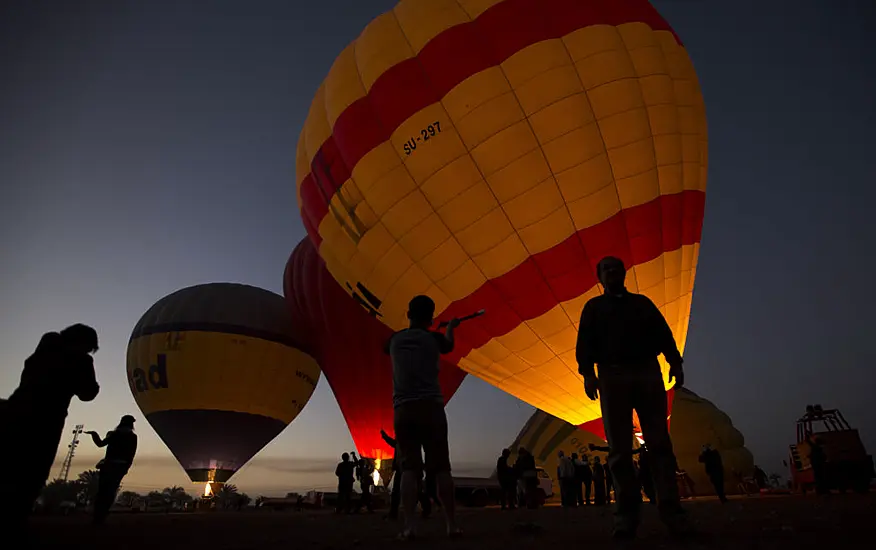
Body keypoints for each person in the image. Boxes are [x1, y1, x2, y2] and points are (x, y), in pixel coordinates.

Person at [576, 256, 688, 539]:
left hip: (647, 372)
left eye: (616, 268)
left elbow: (663, 334)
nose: (612, 272)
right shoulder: (593, 308)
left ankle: (673, 514)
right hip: (611, 377)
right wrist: (589, 374)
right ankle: (625, 518)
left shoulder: (642, 304)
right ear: (600, 277)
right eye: (607, 269)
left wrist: (675, 362)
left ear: (624, 273)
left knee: (660, 443)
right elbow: (585, 344)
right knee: (619, 450)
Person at [0, 324, 100, 534]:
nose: (89, 352)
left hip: (14, 410)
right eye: (89, 348)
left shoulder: (45, 349)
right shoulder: (81, 360)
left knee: (8, 464)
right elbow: (88, 392)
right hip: (45, 422)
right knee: (32, 472)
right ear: (84, 344)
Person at [385, 295, 461, 540]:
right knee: (441, 468)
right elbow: (448, 345)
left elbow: (386, 347)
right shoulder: (434, 339)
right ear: (431, 317)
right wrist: (449, 327)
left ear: (408, 314)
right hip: (432, 407)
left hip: (404, 409)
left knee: (409, 468)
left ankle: (410, 527)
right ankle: (450, 525)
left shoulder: (395, 340)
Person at [86, 415, 138, 524]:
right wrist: (126, 468)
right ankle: (102, 516)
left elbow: (100, 444)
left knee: (102, 491)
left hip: (108, 466)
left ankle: (97, 517)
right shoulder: (132, 437)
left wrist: (94, 434)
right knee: (110, 492)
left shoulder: (113, 434)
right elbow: (131, 455)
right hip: (119, 467)